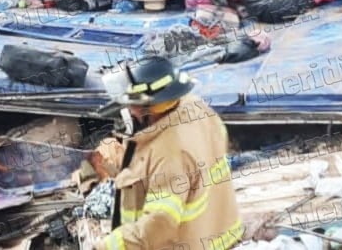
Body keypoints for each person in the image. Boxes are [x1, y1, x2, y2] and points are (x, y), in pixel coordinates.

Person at [90, 55, 244, 250]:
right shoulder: (195, 107)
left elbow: (159, 224)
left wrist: (108, 246)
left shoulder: (168, 153)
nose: (129, 109)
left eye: (132, 103)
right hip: (220, 232)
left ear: (149, 106)